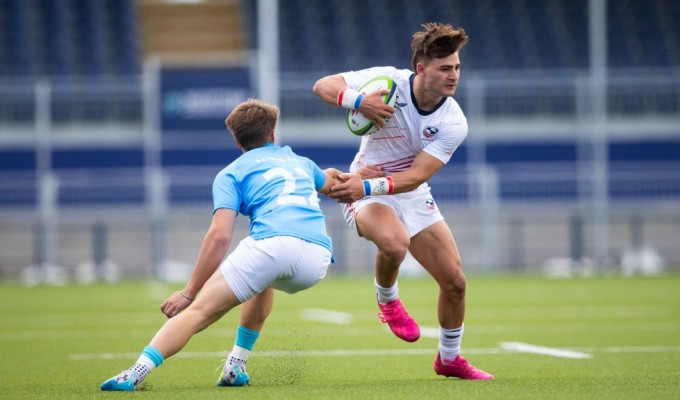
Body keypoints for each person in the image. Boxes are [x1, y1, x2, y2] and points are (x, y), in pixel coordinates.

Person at [100, 99, 341, 391]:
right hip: (317, 258)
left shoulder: (231, 172)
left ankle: (134, 374)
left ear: (237, 140)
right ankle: (236, 366)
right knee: (261, 280)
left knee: (198, 313)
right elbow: (332, 184)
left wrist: (189, 292)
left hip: (272, 247)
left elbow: (219, 236)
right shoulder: (300, 162)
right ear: (273, 135)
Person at [312, 22, 494, 380]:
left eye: (457, 67)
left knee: (455, 282)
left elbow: (416, 176)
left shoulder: (453, 121)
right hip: (363, 185)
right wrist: (360, 101)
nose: (453, 75)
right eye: (445, 68)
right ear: (421, 69)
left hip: (394, 190)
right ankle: (388, 298)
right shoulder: (387, 81)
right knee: (395, 244)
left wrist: (366, 188)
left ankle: (449, 359)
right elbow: (323, 85)